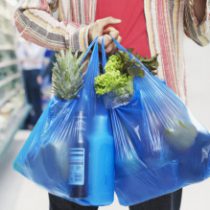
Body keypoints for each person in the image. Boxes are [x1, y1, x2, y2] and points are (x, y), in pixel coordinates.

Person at [14, 0, 209, 210]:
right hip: (81, 110)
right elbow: (25, 14)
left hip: (155, 112)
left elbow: (200, 33)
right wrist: (83, 35)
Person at [17, 39, 46, 128]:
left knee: (36, 97)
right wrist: (29, 59)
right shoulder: (22, 44)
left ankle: (38, 121)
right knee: (29, 97)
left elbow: (35, 57)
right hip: (26, 72)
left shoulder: (37, 45)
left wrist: (27, 58)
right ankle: (32, 120)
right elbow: (20, 58)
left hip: (35, 72)